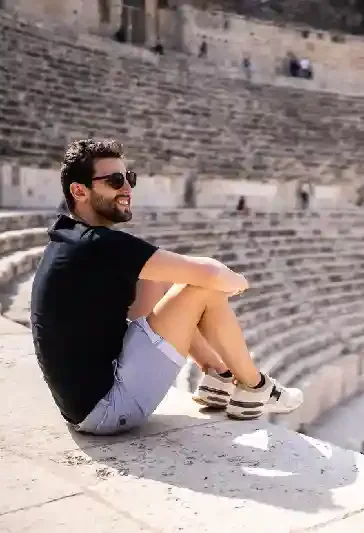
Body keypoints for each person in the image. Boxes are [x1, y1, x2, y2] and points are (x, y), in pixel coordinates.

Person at [31, 139, 303, 436]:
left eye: (129, 179)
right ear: (79, 190)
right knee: (203, 289)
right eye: (115, 180)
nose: (127, 189)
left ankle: (217, 376)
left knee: (154, 277)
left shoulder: (70, 237)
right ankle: (256, 387)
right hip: (108, 408)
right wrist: (239, 282)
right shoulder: (102, 246)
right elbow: (210, 274)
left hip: (86, 401)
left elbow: (150, 294)